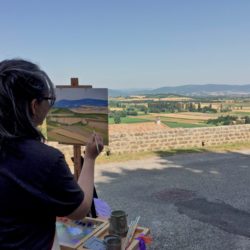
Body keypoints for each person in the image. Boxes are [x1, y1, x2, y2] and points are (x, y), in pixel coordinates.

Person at [0, 59, 104, 249]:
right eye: (49, 100)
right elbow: (80, 210)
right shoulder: (44, 160)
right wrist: (89, 158)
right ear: (34, 106)